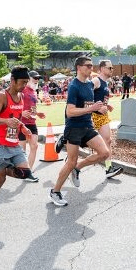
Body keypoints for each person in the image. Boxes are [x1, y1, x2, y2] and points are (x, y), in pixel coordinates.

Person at [49, 56, 110, 207]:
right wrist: (91, 108)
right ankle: (55, 191)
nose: (91, 68)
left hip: (87, 126)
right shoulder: (73, 86)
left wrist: (99, 109)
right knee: (71, 162)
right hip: (74, 127)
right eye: (88, 66)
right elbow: (70, 112)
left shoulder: (90, 84)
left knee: (104, 153)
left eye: (91, 66)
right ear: (79, 68)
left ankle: (77, 169)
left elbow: (87, 106)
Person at [0, 66, 33, 221]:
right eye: (22, 82)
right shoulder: (2, 96)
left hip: (13, 143)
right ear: (12, 80)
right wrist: (6, 121)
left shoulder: (21, 97)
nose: (24, 85)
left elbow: (16, 118)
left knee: (25, 173)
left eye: (26, 82)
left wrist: (23, 128)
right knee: (1, 178)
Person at [91, 60, 123, 179]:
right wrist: (97, 108)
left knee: (107, 141)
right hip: (92, 115)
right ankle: (65, 139)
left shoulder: (105, 82)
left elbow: (98, 97)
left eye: (112, 68)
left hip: (102, 116)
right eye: (110, 68)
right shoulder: (96, 81)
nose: (112, 70)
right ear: (102, 68)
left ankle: (108, 168)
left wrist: (106, 105)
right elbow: (84, 95)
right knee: (82, 140)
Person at [18, 70, 46, 182]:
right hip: (21, 123)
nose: (37, 80)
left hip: (32, 123)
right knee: (22, 150)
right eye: (35, 78)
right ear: (28, 78)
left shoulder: (34, 91)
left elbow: (31, 107)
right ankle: (20, 169)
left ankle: (28, 172)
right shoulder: (22, 90)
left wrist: (38, 113)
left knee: (34, 146)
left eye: (38, 78)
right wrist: (21, 113)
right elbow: (13, 105)